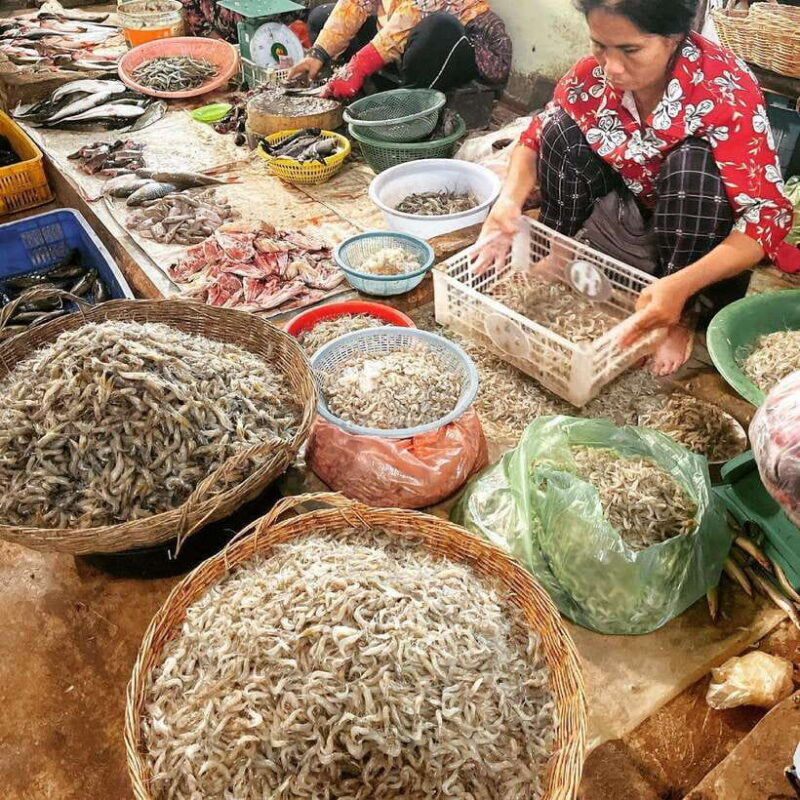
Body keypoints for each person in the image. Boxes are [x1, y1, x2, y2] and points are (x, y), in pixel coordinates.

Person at [476, 0, 795, 376]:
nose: (611, 66)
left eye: (630, 50)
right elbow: (534, 137)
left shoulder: (724, 88)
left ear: (673, 38)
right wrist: (508, 203)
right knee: (560, 130)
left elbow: (766, 216)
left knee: (693, 164)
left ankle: (680, 311)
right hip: (630, 203)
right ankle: (560, 254)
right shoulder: (594, 75)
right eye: (600, 45)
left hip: (696, 220)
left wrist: (681, 286)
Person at [288, 0, 512, 100]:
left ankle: (407, 110)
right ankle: (358, 91)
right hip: (400, 34)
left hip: (451, 39)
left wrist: (358, 67)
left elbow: (414, 13)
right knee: (320, 17)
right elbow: (355, 3)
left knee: (438, 28)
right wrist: (318, 53)